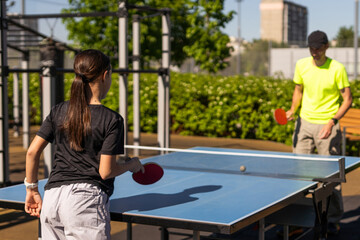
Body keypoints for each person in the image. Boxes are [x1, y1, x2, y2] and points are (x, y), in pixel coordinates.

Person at [24, 49, 144, 239]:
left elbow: (32, 152)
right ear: (106, 75)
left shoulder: (58, 110)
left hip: (52, 199)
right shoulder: (112, 119)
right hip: (84, 201)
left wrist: (31, 189)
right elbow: (106, 171)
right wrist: (132, 165)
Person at [286, 30, 353, 235]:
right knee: (298, 175)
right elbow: (298, 91)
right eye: (311, 48)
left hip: (328, 125)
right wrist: (292, 110)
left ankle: (332, 219)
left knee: (331, 177)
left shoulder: (337, 69)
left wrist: (332, 121)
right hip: (304, 124)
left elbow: (347, 100)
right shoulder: (302, 65)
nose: (314, 52)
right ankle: (299, 219)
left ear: (326, 47)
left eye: (318, 48)